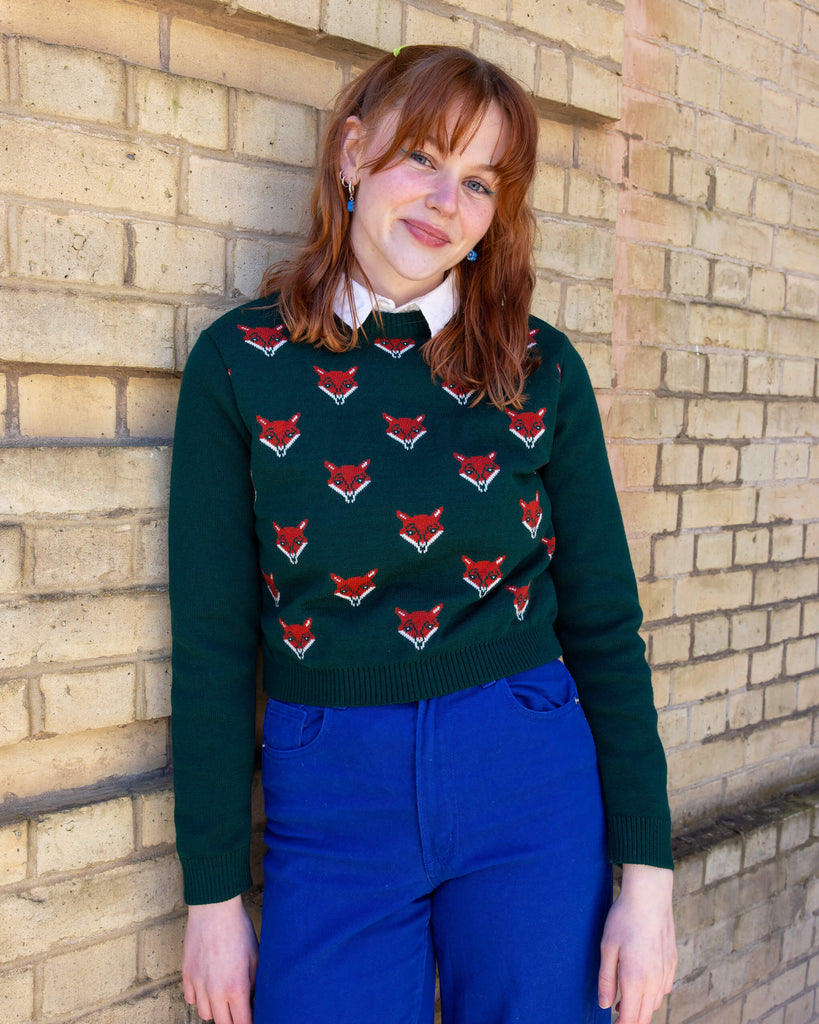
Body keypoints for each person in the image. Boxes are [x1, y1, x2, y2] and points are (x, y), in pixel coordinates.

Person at [170, 44, 677, 1024]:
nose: (446, 200)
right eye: (424, 158)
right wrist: (213, 893)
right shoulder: (240, 365)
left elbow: (608, 624)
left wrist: (646, 873)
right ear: (354, 153)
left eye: (480, 181)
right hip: (331, 796)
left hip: (529, 780)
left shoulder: (541, 369)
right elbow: (214, 645)